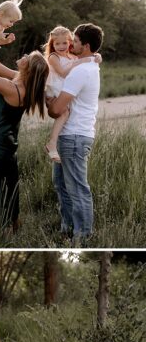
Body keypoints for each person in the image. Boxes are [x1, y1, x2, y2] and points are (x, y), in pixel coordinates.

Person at [0, 39, 49, 231]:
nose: (23, 56)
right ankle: (12, 223)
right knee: (9, 182)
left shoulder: (13, 88)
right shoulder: (22, 81)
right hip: (10, 144)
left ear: (28, 69)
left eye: (27, 58)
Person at [48, 23, 104, 242]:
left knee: (78, 188)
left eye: (77, 41)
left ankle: (82, 236)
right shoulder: (88, 65)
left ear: (86, 45)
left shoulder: (80, 71)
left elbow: (56, 110)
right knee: (62, 185)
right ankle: (68, 228)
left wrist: (50, 104)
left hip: (74, 136)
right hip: (71, 135)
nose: (72, 44)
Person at [42, 26, 101, 162]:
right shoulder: (53, 57)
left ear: (70, 42)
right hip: (55, 87)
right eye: (57, 43)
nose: (61, 46)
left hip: (63, 88)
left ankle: (52, 143)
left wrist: (97, 56)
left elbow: (91, 56)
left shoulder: (72, 56)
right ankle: (51, 143)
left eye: (65, 43)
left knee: (65, 113)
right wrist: (79, 62)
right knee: (65, 112)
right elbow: (62, 73)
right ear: (52, 44)